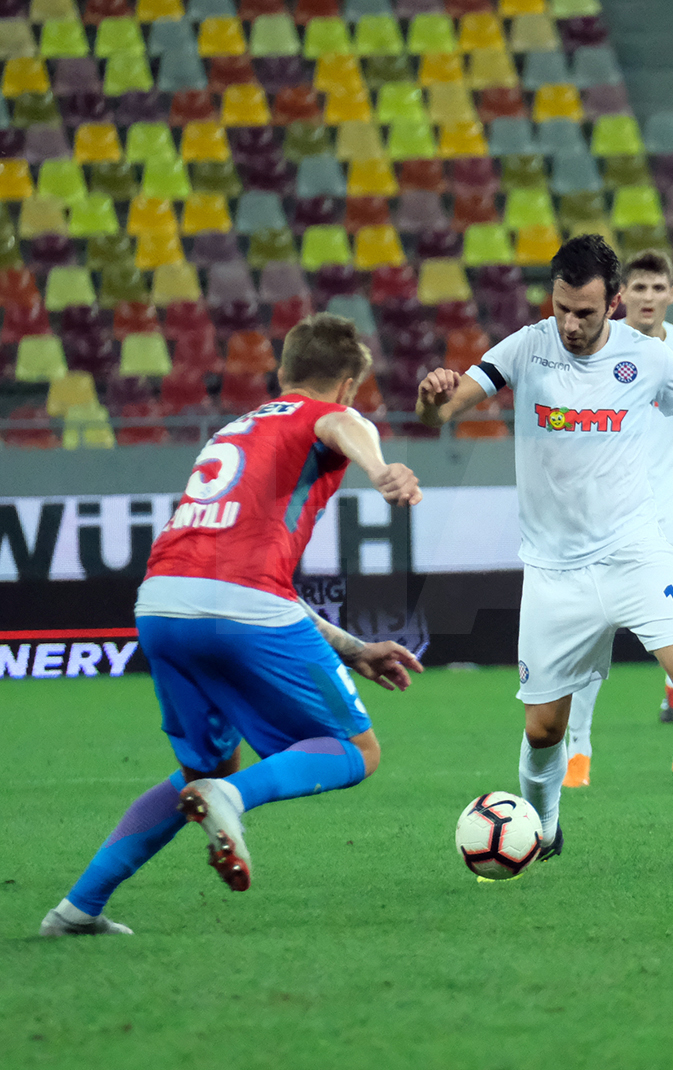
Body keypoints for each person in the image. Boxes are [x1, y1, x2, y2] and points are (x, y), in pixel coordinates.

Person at [415, 236, 673, 877]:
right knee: (543, 732)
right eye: (561, 308)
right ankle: (545, 829)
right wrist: (432, 392)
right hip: (555, 573)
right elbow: (444, 409)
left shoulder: (651, 358)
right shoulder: (527, 346)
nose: (571, 325)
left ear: (612, 304)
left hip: (638, 554)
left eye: (584, 312)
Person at [41, 314, 425, 936]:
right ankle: (236, 798)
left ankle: (78, 907)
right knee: (356, 750)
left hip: (161, 602)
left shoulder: (236, 430)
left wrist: (352, 649)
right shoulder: (327, 417)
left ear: (281, 373)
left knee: (201, 772)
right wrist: (379, 468)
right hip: (242, 605)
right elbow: (337, 422)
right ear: (352, 385)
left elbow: (242, 574)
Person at [560, 250, 673, 789]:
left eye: (659, 287)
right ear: (620, 294)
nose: (649, 297)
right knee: (594, 633)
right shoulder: (596, 343)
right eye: (639, 287)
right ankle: (578, 752)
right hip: (612, 508)